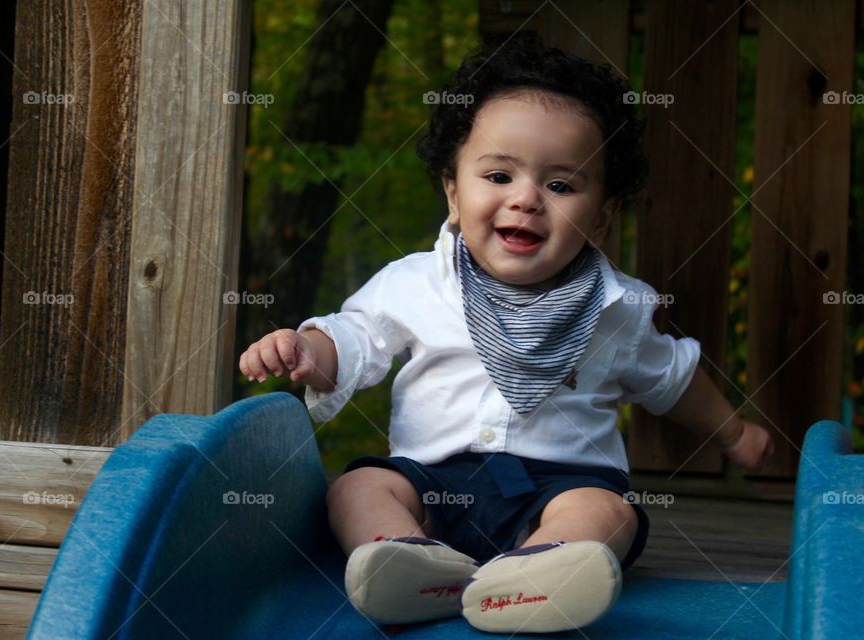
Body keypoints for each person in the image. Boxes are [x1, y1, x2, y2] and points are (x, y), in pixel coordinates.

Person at [238, 36, 775, 634]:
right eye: (498, 174)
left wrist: (734, 433)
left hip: (560, 487)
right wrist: (308, 350)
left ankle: (541, 571)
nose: (526, 199)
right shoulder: (415, 282)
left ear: (600, 218)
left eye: (561, 186)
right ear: (453, 192)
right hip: (430, 482)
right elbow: (356, 340)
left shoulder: (616, 307)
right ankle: (406, 562)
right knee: (357, 487)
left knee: (609, 512)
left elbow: (671, 377)